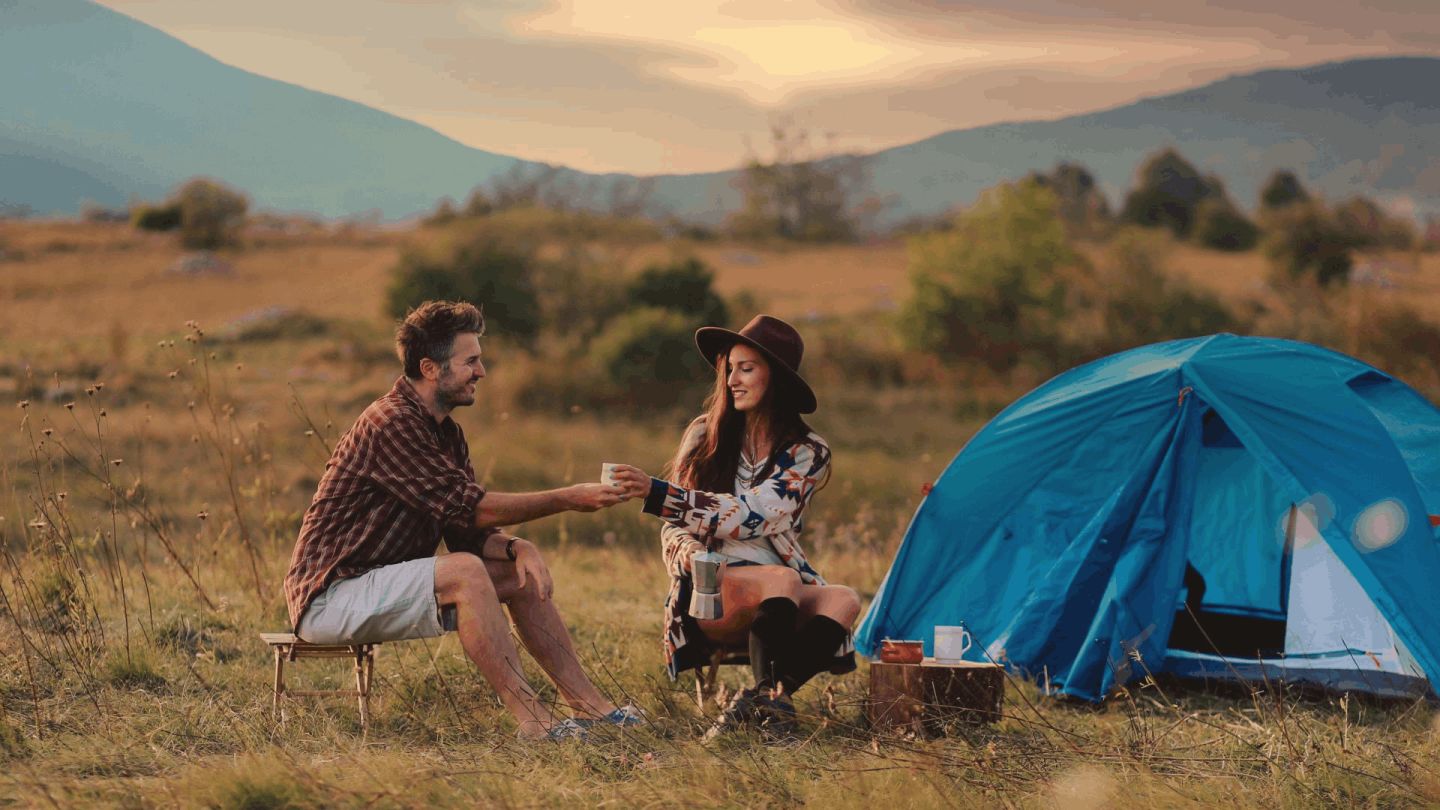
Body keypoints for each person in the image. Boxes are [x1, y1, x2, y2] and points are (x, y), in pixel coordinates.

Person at [283, 300, 638, 741]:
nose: (481, 371)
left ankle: (590, 707)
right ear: (431, 368)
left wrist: (515, 547)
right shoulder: (390, 422)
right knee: (466, 574)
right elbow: (470, 509)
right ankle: (535, 723)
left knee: (516, 574)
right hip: (332, 596)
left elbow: (464, 532)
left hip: (380, 582)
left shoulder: (446, 431)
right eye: (470, 361)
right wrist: (566, 498)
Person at [610, 314, 861, 740]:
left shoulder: (807, 451)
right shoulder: (705, 435)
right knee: (780, 578)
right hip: (711, 591)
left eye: (746, 369)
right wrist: (686, 552)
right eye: (729, 369)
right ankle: (770, 708)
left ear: (775, 379)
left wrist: (658, 492)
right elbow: (674, 527)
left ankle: (765, 701)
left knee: (844, 599)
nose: (731, 381)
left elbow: (757, 515)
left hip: (781, 591)